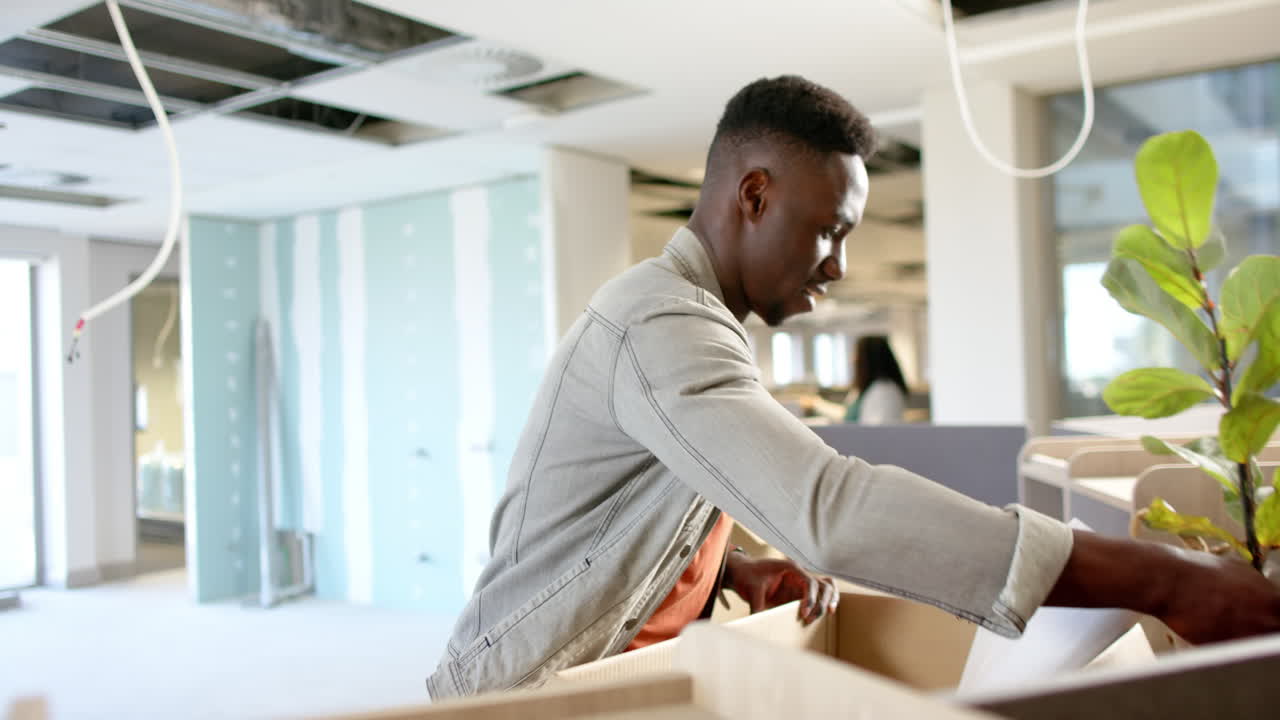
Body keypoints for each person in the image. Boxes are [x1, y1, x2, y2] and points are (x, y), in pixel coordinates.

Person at [427, 75, 1280, 700]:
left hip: (617, 671)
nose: (840, 266)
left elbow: (644, 497)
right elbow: (829, 510)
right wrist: (1163, 578)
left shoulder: (695, 321)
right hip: (518, 694)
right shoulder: (657, 320)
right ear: (753, 195)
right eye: (830, 231)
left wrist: (734, 565)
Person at [845, 335, 907, 424]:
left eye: (857, 354)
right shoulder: (867, 388)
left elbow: (876, 432)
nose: (853, 359)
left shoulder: (884, 392)